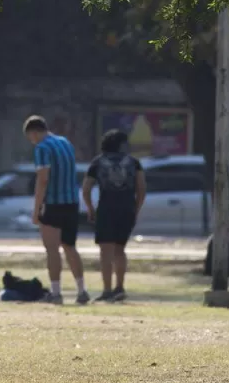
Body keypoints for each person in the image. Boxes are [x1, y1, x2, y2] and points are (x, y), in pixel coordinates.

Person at [24, 115, 90, 305]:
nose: (32, 141)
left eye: (31, 137)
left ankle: (56, 293)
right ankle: (81, 290)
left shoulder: (42, 148)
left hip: (53, 203)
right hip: (71, 202)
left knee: (52, 249)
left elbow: (43, 179)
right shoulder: (65, 143)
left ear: (34, 132)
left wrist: (36, 210)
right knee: (70, 247)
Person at [82, 129, 146, 302]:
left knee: (105, 251)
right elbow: (141, 188)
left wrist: (90, 208)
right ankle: (120, 287)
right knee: (120, 249)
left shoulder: (98, 162)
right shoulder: (134, 162)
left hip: (106, 209)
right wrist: (136, 209)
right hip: (127, 209)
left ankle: (107, 290)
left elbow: (86, 188)